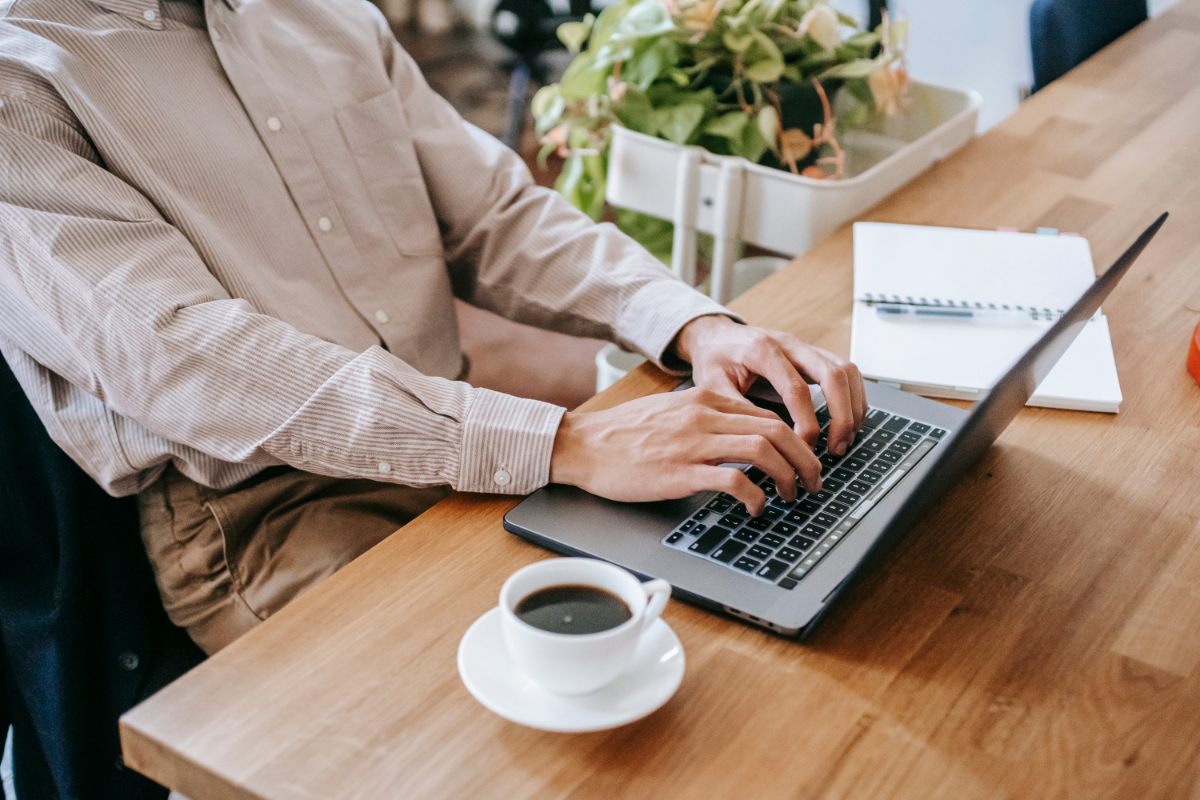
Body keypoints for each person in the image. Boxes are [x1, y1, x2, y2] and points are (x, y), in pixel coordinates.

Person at [0, 0, 865, 654]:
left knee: (744, 610)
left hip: (454, 434)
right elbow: (186, 362)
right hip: (270, 513)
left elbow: (493, 213)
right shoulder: (24, 75)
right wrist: (562, 442)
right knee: (547, 698)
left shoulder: (323, 12)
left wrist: (692, 324)